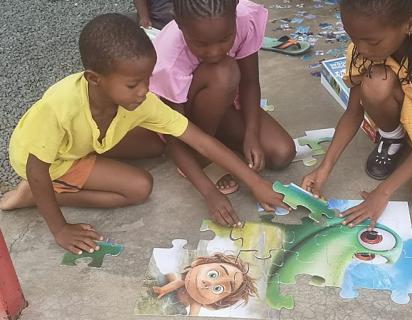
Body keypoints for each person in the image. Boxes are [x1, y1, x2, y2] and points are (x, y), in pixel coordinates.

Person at [0, 13, 287, 255]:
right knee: (138, 189)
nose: (144, 91)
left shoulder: (139, 101)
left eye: (147, 79)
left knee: (149, 159)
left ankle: (48, 190)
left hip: (82, 146)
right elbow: (36, 167)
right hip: (47, 162)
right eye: (133, 84)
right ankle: (35, 196)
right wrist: (60, 229)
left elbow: (198, 139)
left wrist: (253, 182)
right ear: (93, 79)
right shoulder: (59, 107)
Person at [302, 0, 412, 229]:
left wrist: (382, 193)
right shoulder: (365, 37)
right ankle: (395, 137)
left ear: (411, 25)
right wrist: (324, 167)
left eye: (372, 42)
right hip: (411, 104)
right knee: (376, 82)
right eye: (352, 37)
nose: (361, 48)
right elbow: (354, 112)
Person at [149, 0, 295, 224]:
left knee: (281, 152)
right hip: (184, 121)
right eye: (201, 44)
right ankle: (200, 156)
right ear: (178, 24)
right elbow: (173, 137)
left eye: (225, 38)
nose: (215, 51)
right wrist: (210, 193)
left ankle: (217, 145)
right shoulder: (168, 59)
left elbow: (249, 81)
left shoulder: (244, 18)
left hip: (223, 103)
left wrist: (251, 134)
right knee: (223, 71)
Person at [152, 253, 257, 316]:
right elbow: (174, 284)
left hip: (178, 305)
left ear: (212, 304)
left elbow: (192, 316)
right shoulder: (182, 282)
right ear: (198, 262)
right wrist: (162, 290)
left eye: (218, 289)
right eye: (212, 274)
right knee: (171, 275)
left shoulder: (195, 303)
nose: (209, 283)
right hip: (173, 290)